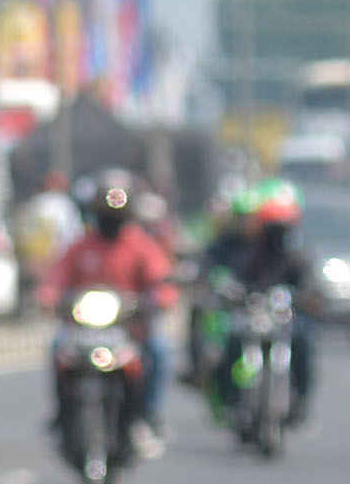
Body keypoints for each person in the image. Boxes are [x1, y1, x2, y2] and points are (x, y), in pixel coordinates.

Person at [44, 168, 178, 455]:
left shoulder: (141, 245)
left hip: (129, 329)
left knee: (159, 351)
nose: (110, 220)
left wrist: (162, 297)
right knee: (56, 348)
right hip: (84, 329)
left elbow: (161, 281)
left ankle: (147, 417)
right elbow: (56, 279)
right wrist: (49, 295)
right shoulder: (80, 246)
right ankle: (61, 416)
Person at [199, 180, 320, 426]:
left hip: (283, 318)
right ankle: (232, 401)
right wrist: (232, 291)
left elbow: (308, 280)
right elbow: (228, 276)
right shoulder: (248, 251)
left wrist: (304, 295)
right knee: (231, 341)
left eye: (281, 228)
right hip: (253, 315)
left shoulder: (296, 252)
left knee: (304, 340)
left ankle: (300, 400)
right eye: (271, 228)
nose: (276, 234)